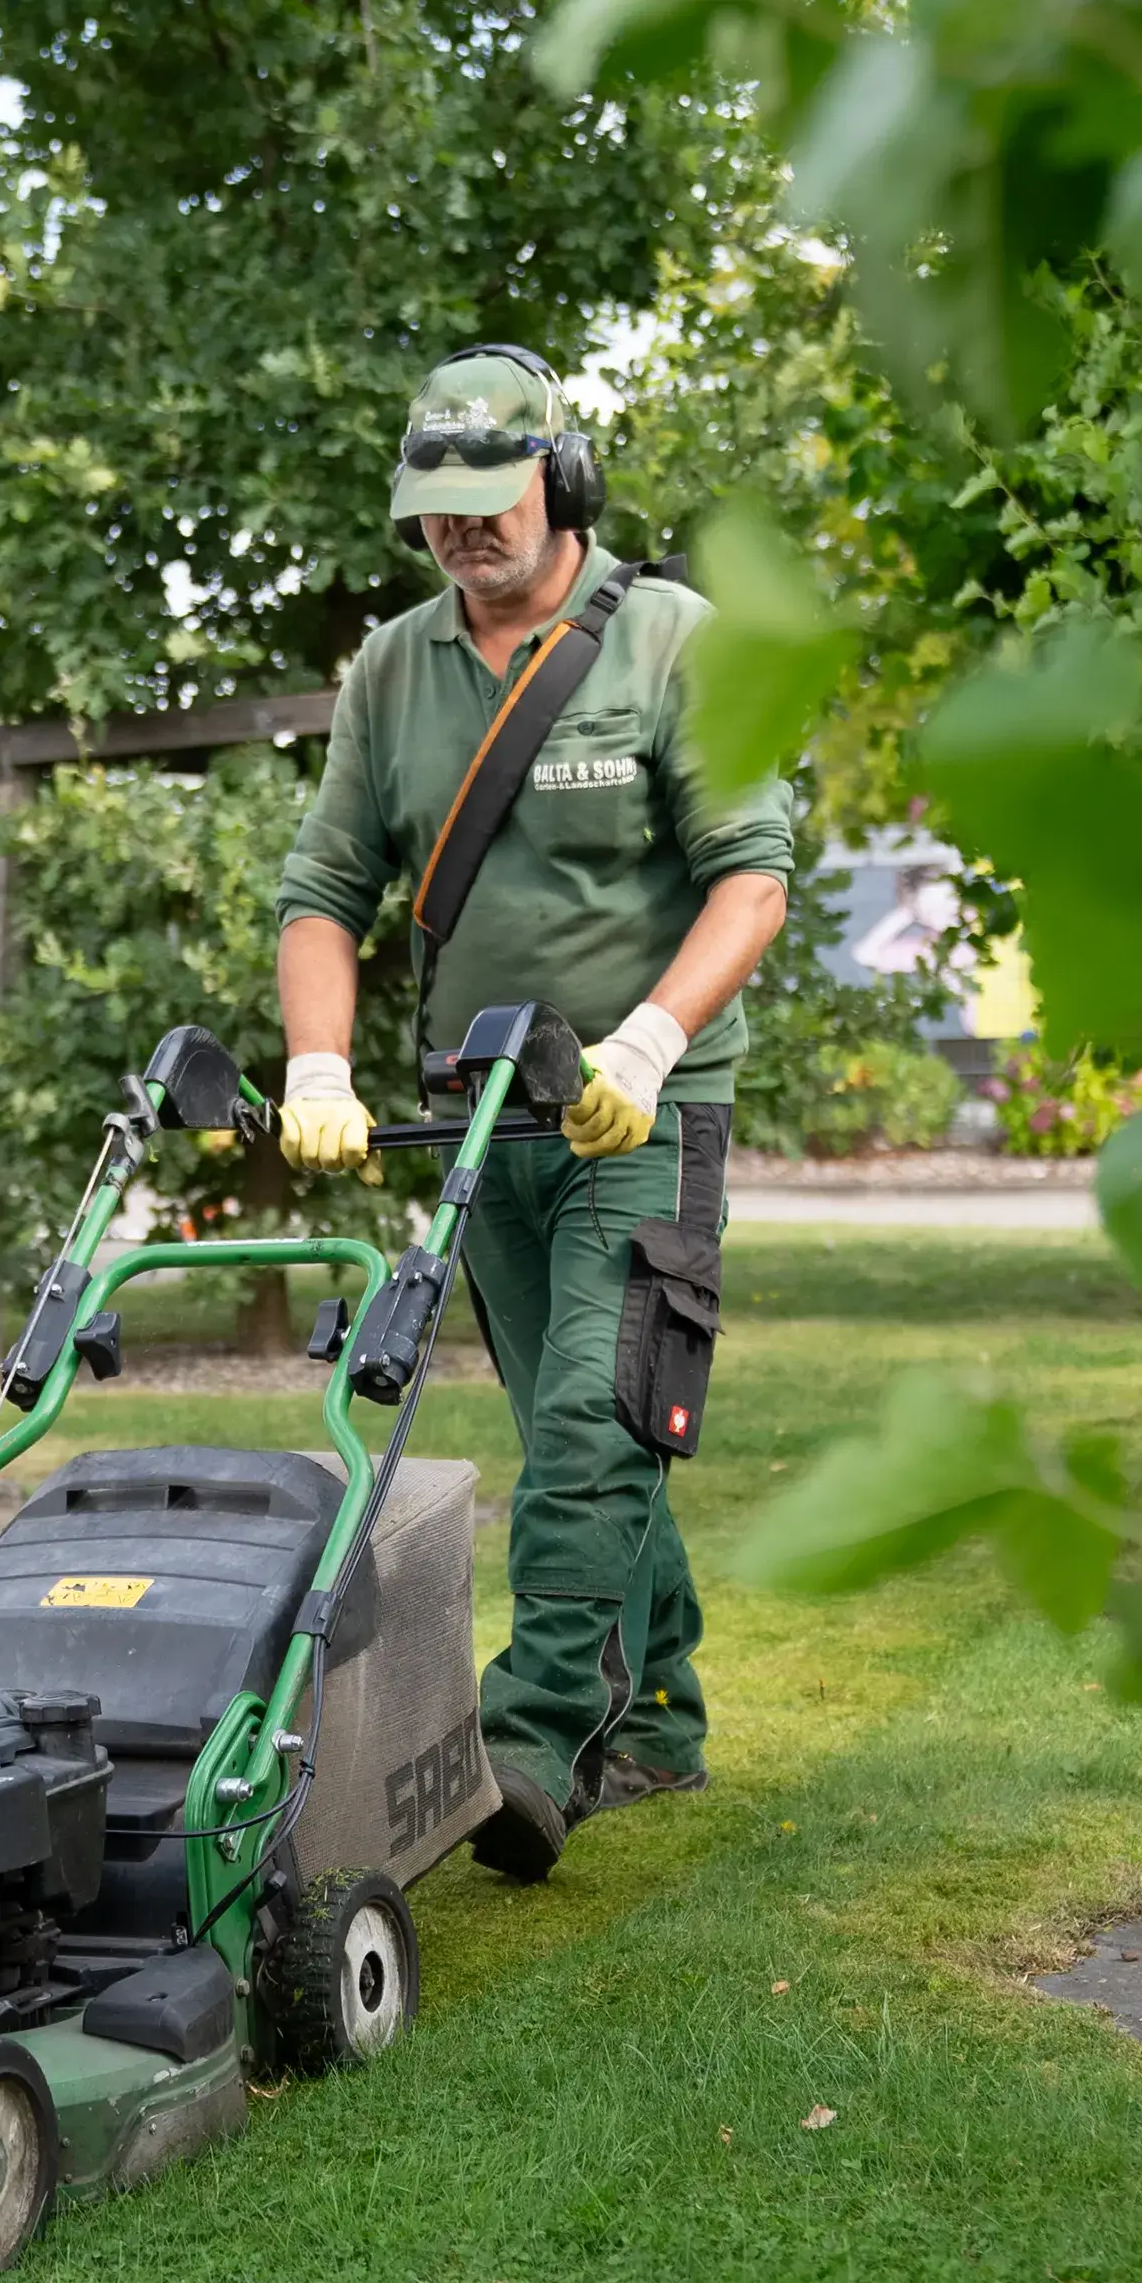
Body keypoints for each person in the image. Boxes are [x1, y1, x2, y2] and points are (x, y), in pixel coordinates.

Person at [274, 346, 792, 1882]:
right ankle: (662, 1720)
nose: (456, 534)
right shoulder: (393, 666)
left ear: (557, 481)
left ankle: (526, 1739)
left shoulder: (673, 643)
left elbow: (750, 875)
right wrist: (317, 1062)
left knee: (589, 1411)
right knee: (583, 1416)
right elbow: (323, 893)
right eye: (429, 511)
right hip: (478, 1117)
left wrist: (646, 1038)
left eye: (484, 503)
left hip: (645, 1105)